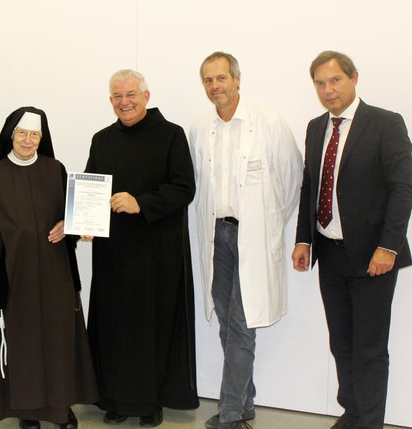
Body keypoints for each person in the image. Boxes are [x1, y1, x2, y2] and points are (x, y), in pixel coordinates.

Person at [292, 51, 412, 429]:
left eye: (335, 81)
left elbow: (403, 187)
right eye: (320, 83)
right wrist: (303, 240)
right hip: (330, 253)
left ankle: (370, 423)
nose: (328, 90)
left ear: (354, 78)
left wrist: (388, 246)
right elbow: (310, 186)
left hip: (374, 257)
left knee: (370, 350)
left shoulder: (385, 123)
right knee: (341, 344)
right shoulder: (315, 128)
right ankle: (353, 414)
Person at [0, 106, 98, 429]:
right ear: (12, 135)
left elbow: (76, 216)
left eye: (34, 134)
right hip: (15, 277)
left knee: (58, 341)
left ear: (42, 137)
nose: (28, 140)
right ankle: (27, 410)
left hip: (56, 276)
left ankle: (60, 407)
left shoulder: (56, 170)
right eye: (22, 133)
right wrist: (12, 236)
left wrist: (71, 224)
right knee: (23, 343)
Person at [188, 52, 303, 429]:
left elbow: (291, 180)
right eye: (208, 80)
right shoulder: (200, 128)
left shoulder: (268, 122)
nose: (215, 86)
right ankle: (247, 400)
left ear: (237, 79)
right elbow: (196, 184)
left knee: (242, 321)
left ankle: (231, 413)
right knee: (225, 320)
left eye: (221, 78)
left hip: (252, 234)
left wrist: (268, 224)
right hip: (216, 234)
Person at [85, 69, 199, 427]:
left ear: (146, 96)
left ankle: (151, 402)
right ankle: (114, 399)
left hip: (156, 253)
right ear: (110, 101)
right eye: (117, 96)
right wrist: (84, 222)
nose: (125, 101)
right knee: (114, 325)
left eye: (131, 94)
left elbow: (184, 188)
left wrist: (141, 203)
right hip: (113, 254)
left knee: (152, 327)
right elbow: (91, 187)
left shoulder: (171, 135)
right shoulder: (102, 139)